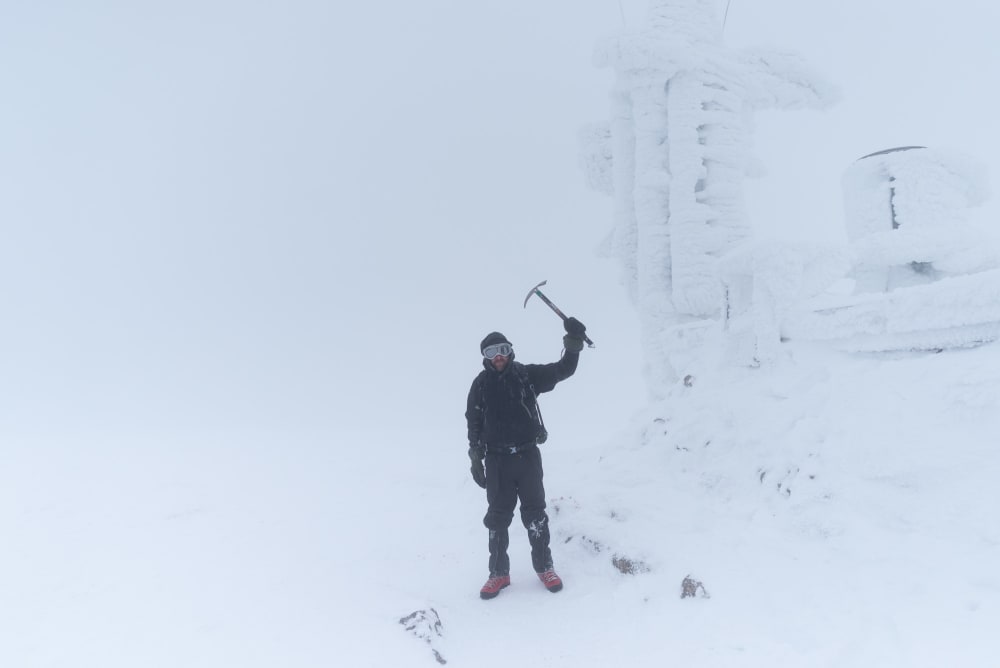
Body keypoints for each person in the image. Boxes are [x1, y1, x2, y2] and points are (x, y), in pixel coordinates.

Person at [465, 316, 587, 599]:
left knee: (535, 514)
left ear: (510, 351)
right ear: (484, 357)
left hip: (527, 458)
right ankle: (498, 573)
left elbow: (564, 369)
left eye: (502, 350)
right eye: (491, 353)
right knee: (497, 518)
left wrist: (573, 342)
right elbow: (473, 422)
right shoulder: (480, 385)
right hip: (496, 462)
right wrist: (475, 456)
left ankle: (545, 567)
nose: (498, 357)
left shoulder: (526, 376)